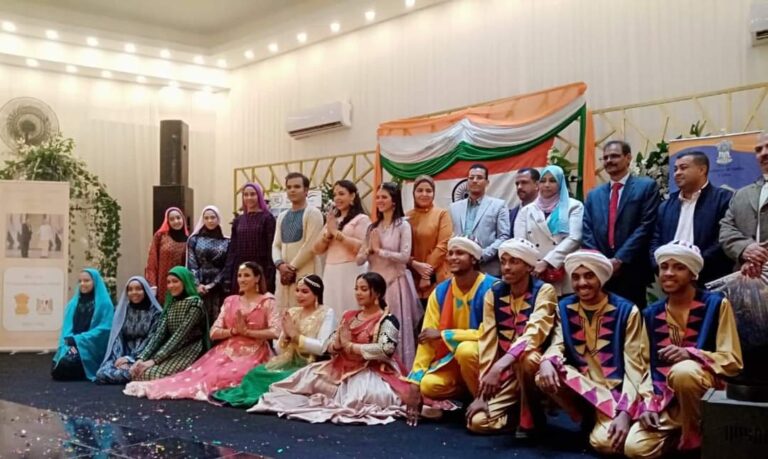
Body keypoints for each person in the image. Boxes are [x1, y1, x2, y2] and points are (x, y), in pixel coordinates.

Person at [624, 241, 743, 458]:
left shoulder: (716, 304)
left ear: (693, 274)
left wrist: (692, 354)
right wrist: (648, 403)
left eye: (679, 267)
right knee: (635, 448)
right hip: (667, 400)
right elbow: (643, 366)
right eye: (664, 267)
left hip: (705, 393)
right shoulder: (651, 314)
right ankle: (682, 434)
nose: (668, 273)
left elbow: (732, 360)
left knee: (684, 371)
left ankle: (695, 442)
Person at [249, 272, 407, 425]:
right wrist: (337, 345)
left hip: (369, 370)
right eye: (356, 289)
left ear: (377, 293)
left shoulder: (387, 319)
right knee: (292, 385)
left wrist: (351, 346)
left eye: (364, 289)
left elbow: (385, 349)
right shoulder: (349, 315)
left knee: (355, 400)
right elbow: (328, 344)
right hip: (339, 367)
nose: (358, 293)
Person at [536, 250, 644, 455]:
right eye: (576, 277)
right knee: (545, 374)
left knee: (605, 445)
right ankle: (587, 417)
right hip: (583, 388)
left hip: (615, 393)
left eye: (589, 276)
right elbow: (557, 343)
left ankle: (608, 418)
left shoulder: (627, 311)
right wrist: (547, 360)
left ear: (601, 278)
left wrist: (625, 411)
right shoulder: (564, 307)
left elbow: (635, 366)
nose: (582, 283)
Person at [124, 262, 279, 400]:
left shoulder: (267, 301)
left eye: (247, 275)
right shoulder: (230, 301)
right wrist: (143, 357)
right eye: (239, 275)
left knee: (225, 377)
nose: (242, 279)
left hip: (254, 352)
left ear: (257, 278)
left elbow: (276, 331)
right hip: (225, 350)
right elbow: (214, 332)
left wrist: (247, 332)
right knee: (199, 376)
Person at [466, 238, 558, 437]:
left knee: (528, 357)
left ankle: (533, 414)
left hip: (536, 370)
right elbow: (488, 342)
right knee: (477, 423)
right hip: (506, 373)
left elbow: (535, 332)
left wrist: (500, 365)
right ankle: (512, 415)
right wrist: (482, 392)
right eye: (503, 261)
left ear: (529, 267)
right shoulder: (493, 293)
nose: (506, 267)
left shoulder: (544, 291)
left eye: (514, 262)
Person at [403, 236, 497, 426]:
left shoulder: (493, 288)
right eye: (451, 253)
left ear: (474, 259)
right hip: (451, 362)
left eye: (460, 253)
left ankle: (487, 403)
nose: (453, 257)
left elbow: (489, 333)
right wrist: (415, 381)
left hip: (487, 360)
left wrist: (445, 334)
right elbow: (426, 339)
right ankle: (468, 397)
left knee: (466, 350)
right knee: (428, 385)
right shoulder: (440, 291)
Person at [212, 274, 335, 408]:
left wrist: (295, 336)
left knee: (279, 379)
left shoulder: (326, 313)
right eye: (297, 291)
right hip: (288, 361)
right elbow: (279, 348)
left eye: (305, 292)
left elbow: (322, 348)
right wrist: (286, 337)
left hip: (311, 365)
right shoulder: (293, 312)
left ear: (316, 294)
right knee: (256, 373)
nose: (299, 295)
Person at [583, 140, 660, 307]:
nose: (609, 160)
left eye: (614, 156)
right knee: (605, 318)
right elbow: (587, 230)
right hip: (601, 272)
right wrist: (601, 262)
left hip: (631, 268)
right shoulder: (594, 195)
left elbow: (646, 226)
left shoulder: (646, 187)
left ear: (628, 158)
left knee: (632, 317)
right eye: (605, 158)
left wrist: (619, 259)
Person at [357, 182, 422, 368]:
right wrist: (368, 251)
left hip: (395, 284)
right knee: (374, 327)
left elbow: (404, 257)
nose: (379, 200)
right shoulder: (372, 228)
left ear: (394, 201)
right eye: (377, 197)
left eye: (384, 197)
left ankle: (398, 369)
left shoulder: (403, 225)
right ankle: (374, 367)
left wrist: (380, 251)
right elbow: (359, 260)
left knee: (393, 329)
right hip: (374, 287)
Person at [651, 151, 733, 286]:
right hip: (672, 281)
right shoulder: (666, 206)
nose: (677, 173)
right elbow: (655, 240)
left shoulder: (724, 199)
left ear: (702, 170)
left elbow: (724, 240)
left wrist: (692, 266)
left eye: (683, 168)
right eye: (675, 169)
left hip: (711, 279)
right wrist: (662, 266)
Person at [126, 266, 209, 381]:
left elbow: (179, 335)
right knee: (139, 371)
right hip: (171, 350)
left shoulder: (195, 303)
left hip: (190, 350)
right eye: (168, 282)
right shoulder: (171, 304)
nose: (171, 285)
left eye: (175, 281)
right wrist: (142, 358)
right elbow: (159, 334)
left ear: (185, 282)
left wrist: (154, 360)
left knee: (150, 375)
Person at [514, 165, 584, 295]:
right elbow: (520, 242)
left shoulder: (574, 206)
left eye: (552, 181)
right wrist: (534, 264)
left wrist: (547, 262)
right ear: (538, 184)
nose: (546, 185)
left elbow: (574, 238)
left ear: (561, 183)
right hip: (535, 272)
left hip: (563, 269)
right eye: (543, 181)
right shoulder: (526, 210)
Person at [313, 180, 370, 319]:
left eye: (341, 194)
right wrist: (328, 234)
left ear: (352, 196)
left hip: (351, 269)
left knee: (351, 306)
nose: (337, 198)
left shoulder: (361, 219)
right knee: (332, 309)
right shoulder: (333, 220)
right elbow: (316, 249)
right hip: (331, 270)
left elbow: (361, 247)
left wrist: (336, 233)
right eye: (335, 194)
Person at [95, 276, 162, 384]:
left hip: (145, 356)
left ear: (146, 291)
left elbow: (152, 340)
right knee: (101, 374)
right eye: (130, 289)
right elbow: (117, 338)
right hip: (123, 355)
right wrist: (120, 360)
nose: (134, 292)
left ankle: (132, 375)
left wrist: (130, 359)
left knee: (141, 371)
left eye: (138, 289)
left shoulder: (156, 313)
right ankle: (131, 376)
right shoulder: (123, 310)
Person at [51, 269, 114, 381]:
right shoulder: (73, 303)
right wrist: (69, 343)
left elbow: (105, 329)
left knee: (66, 366)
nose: (82, 284)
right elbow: (66, 329)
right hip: (72, 344)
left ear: (95, 282)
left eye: (86, 281)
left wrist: (78, 340)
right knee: (59, 366)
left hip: (91, 346)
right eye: (80, 281)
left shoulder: (104, 304)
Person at [273, 172, 324, 310]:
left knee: (305, 310)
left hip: (305, 269)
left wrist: (291, 268)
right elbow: (276, 245)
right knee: (283, 311)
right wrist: (280, 265)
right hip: (284, 273)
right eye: (289, 187)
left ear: (306, 190)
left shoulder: (313, 213)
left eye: (297, 186)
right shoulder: (282, 216)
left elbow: (310, 246)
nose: (292, 190)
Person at [449, 163, 510, 276]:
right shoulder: (454, 207)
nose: (475, 181)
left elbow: (504, 237)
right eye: (471, 178)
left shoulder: (499, 205)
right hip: (460, 269)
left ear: (487, 182)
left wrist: (482, 255)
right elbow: (451, 235)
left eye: (479, 178)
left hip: (487, 268)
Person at [407, 175, 453, 305]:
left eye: (428, 191)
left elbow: (443, 246)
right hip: (412, 279)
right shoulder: (407, 217)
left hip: (437, 277)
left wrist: (425, 275)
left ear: (434, 193)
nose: (424, 194)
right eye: (420, 190)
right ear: (414, 193)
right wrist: (414, 264)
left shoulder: (442, 214)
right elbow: (403, 248)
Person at [223, 183, 277, 294]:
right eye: (246, 195)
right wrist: (228, 272)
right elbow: (233, 249)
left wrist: (270, 273)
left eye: (253, 194)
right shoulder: (238, 220)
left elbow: (271, 246)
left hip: (261, 267)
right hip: (241, 268)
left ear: (259, 196)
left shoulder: (267, 218)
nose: (249, 198)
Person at [187, 205, 230, 320]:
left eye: (213, 217)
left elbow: (227, 266)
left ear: (218, 219)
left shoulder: (227, 241)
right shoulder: (194, 240)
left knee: (218, 317)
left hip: (220, 284)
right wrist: (197, 284)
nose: (210, 221)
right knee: (200, 318)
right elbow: (192, 263)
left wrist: (212, 285)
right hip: (200, 284)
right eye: (206, 218)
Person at [145, 207, 189, 301]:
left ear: (183, 219)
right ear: (167, 221)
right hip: (162, 284)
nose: (176, 221)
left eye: (178, 218)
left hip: (180, 284)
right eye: (172, 219)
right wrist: (152, 285)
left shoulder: (189, 240)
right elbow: (152, 262)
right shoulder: (160, 236)